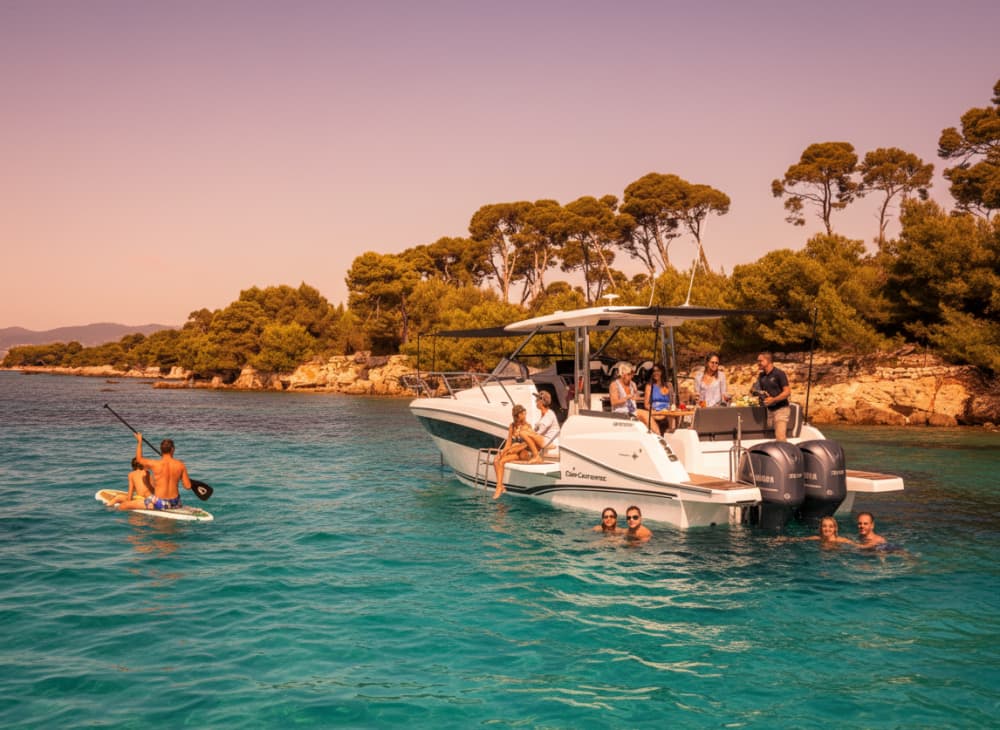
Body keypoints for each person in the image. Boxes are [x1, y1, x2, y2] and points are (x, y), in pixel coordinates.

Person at [115, 432, 193, 511]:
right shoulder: (181, 465)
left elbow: (139, 459)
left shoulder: (155, 464)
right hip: (176, 503)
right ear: (172, 449)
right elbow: (188, 486)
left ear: (161, 450)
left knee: (123, 506)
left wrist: (139, 442)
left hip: (160, 503)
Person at [493, 404, 541, 499]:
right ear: (519, 415)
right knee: (496, 460)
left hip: (525, 453)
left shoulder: (527, 427)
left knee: (503, 460)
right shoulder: (512, 426)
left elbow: (527, 444)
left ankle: (499, 488)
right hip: (515, 453)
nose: (525, 415)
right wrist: (503, 452)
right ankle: (500, 486)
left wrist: (514, 448)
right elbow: (508, 442)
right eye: (523, 413)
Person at [755, 352, 791, 441]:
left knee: (780, 437)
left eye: (760, 361)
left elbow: (787, 392)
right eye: (757, 361)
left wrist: (773, 400)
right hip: (769, 411)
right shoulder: (761, 376)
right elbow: (755, 389)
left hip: (781, 410)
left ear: (768, 361)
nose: (758, 363)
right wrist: (757, 392)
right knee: (769, 438)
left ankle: (785, 453)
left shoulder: (779, 374)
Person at [642, 363, 675, 435]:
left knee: (675, 415)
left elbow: (672, 401)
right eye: (654, 371)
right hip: (656, 411)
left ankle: (672, 434)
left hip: (668, 410)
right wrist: (653, 410)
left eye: (658, 371)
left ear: (662, 372)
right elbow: (646, 404)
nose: (656, 373)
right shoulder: (649, 386)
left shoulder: (668, 385)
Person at [524, 390, 560, 456]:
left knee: (523, 433)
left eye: (537, 400)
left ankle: (536, 457)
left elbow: (539, 432)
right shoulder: (543, 415)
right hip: (543, 440)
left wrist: (526, 433)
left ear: (542, 401)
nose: (535, 401)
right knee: (518, 444)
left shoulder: (549, 415)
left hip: (549, 442)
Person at [790, 516, 856, 546]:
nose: (827, 529)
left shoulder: (841, 540)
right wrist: (784, 539)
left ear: (835, 528)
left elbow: (857, 546)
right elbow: (799, 539)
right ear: (820, 528)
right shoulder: (817, 538)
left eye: (831, 526)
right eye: (824, 526)